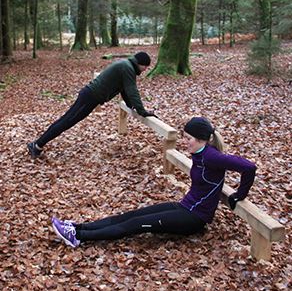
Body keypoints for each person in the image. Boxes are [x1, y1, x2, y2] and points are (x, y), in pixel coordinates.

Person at [51, 117, 257, 248]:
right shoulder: (199, 152)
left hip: (193, 218)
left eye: (188, 139)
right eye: (184, 137)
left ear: (202, 139)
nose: (185, 142)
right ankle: (77, 228)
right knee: (131, 215)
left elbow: (249, 167)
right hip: (184, 207)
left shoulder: (213, 157)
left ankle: (79, 238)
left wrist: (240, 194)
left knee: (134, 225)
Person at [27, 51, 156, 158]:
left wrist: (131, 106)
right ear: (140, 63)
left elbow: (124, 90)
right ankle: (37, 145)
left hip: (91, 97)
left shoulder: (126, 66)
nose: (145, 70)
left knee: (67, 121)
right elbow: (132, 90)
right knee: (66, 121)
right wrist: (142, 111)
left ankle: (37, 145)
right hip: (90, 96)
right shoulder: (127, 68)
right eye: (145, 66)